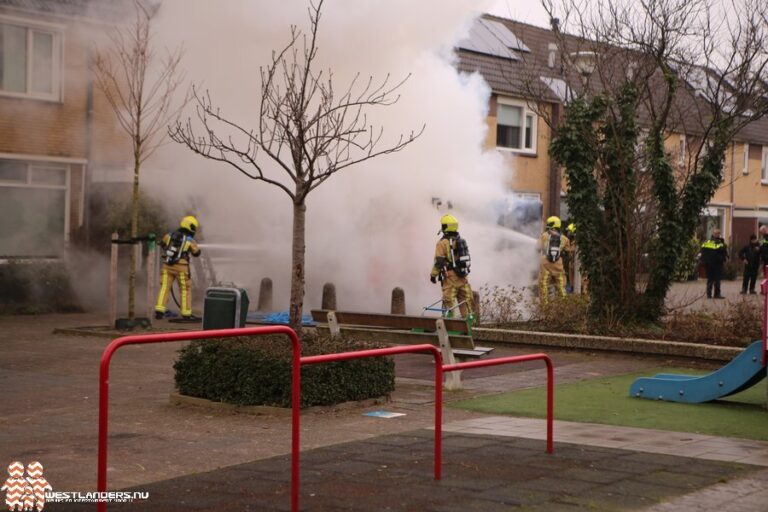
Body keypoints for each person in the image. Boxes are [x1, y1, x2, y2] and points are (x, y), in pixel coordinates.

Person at [154, 215, 202, 320]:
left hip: (167, 266)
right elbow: (196, 252)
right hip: (182, 267)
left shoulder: (169, 235)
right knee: (185, 289)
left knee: (164, 287)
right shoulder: (189, 240)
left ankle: (159, 311)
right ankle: (186, 314)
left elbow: (162, 244)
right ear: (191, 227)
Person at [429, 214, 474, 320]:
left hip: (450, 279)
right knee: (465, 302)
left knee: (448, 303)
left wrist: (433, 275)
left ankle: (450, 327)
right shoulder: (461, 241)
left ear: (446, 227)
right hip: (463, 278)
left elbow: (438, 262)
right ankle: (469, 326)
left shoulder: (442, 243)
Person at [538, 216, 571, 305]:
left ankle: (544, 308)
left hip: (545, 264)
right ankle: (564, 307)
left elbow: (538, 247)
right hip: (558, 265)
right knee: (561, 286)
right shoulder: (564, 238)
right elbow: (569, 251)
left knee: (544, 285)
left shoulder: (544, 235)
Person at [700, 228, 728, 299]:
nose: (717, 234)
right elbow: (723, 251)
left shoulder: (707, 242)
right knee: (717, 279)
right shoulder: (719, 243)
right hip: (717, 264)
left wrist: (703, 261)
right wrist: (723, 259)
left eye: (718, 233)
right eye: (717, 233)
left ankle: (709, 294)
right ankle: (717, 294)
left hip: (708, 264)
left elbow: (703, 252)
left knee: (710, 279)